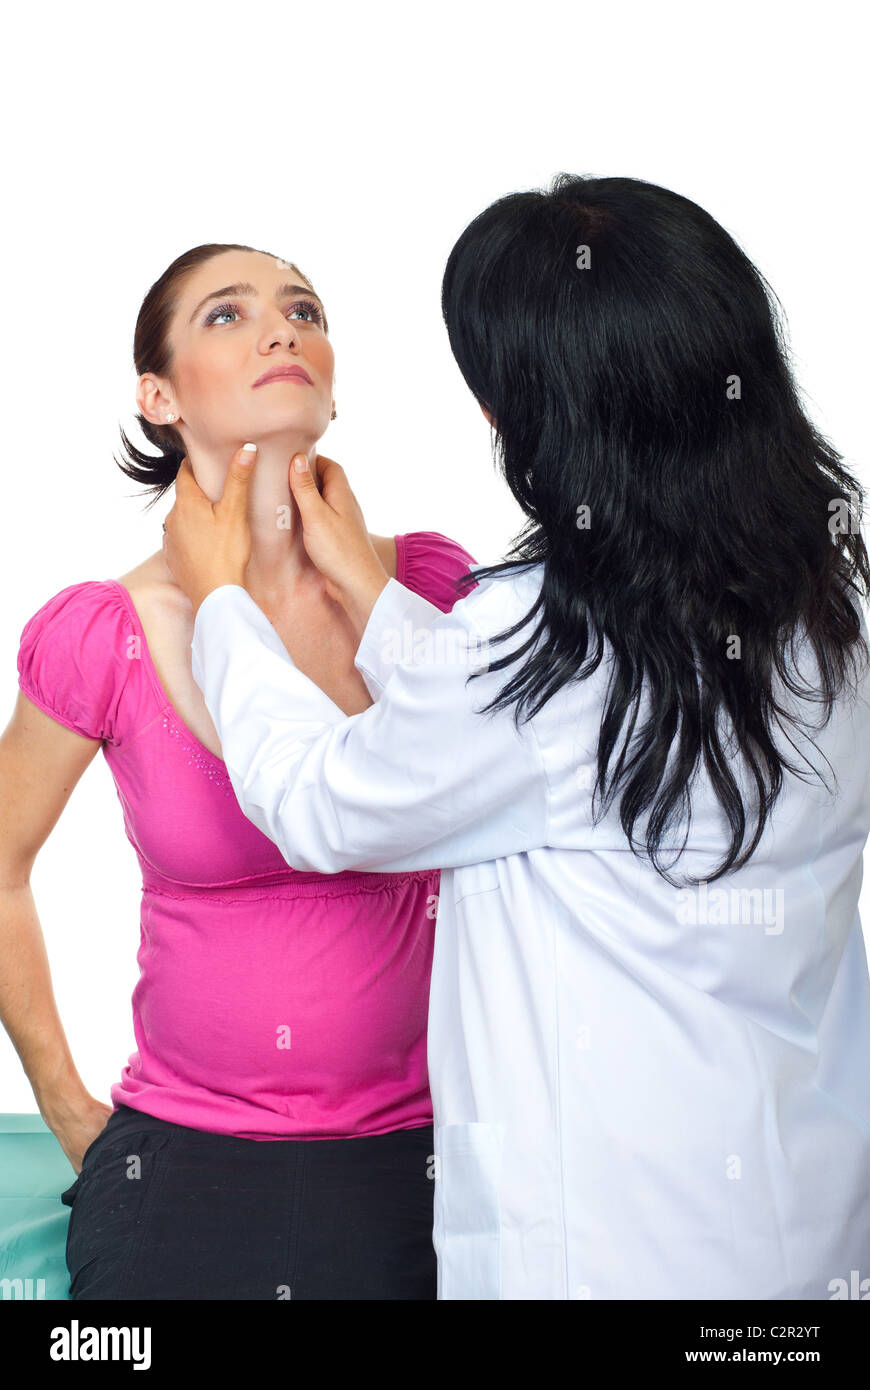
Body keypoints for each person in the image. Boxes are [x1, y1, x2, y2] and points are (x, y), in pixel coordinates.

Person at [164, 176, 870, 1300]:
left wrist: (221, 610)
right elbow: (520, 748)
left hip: (615, 1258)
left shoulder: (537, 638)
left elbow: (328, 802)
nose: (283, 333)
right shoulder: (819, 601)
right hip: (803, 1239)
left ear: (534, 418)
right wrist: (367, 585)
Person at [0, 242, 476, 1299]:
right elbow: (1, 863)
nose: (281, 329)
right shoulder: (104, 631)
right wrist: (72, 1107)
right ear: (158, 395)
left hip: (432, 1143)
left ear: (334, 385)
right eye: (227, 315)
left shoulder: (435, 589)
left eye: (303, 309)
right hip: (185, 1148)